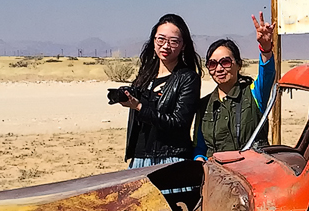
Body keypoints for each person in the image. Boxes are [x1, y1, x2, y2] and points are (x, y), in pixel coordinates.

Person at [118, 14, 202, 168]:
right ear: (154, 41)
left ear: (183, 45)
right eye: (161, 39)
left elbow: (179, 123)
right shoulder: (145, 75)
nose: (166, 46)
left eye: (173, 41)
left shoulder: (188, 78)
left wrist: (139, 107)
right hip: (139, 158)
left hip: (171, 159)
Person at [194, 14, 277, 157]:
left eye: (225, 62)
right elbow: (199, 147)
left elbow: (267, 74)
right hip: (216, 170)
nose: (219, 69)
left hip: (252, 168)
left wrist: (265, 48)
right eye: (212, 64)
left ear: (239, 64)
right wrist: (199, 159)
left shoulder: (254, 94)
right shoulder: (204, 105)